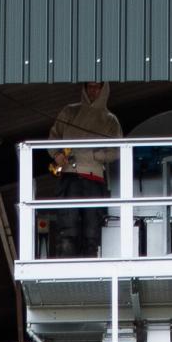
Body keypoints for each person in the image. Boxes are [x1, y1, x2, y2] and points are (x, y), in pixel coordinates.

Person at [42, 81, 123, 257]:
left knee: (92, 229)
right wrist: (57, 155)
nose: (93, 91)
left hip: (94, 178)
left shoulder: (110, 120)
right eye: (90, 87)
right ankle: (65, 264)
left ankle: (91, 265)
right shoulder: (70, 111)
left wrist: (96, 156)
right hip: (70, 176)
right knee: (67, 226)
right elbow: (53, 137)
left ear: (104, 89)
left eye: (97, 87)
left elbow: (117, 150)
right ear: (84, 88)